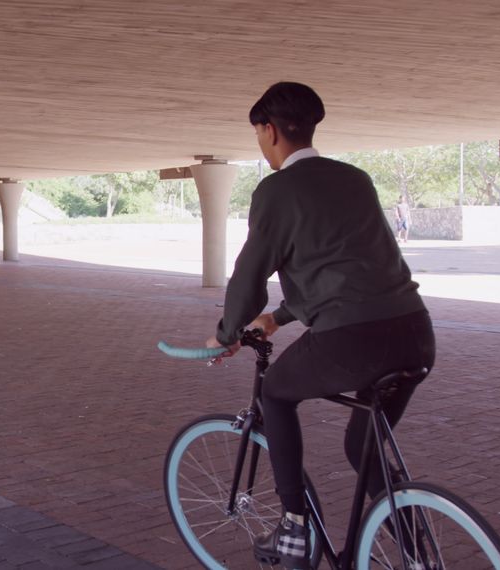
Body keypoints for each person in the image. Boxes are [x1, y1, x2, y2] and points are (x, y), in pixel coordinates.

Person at [203, 82, 435, 569]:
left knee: (277, 394)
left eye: (258, 135)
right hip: (414, 334)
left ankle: (293, 527)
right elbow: (351, 268)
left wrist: (226, 335)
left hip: (353, 342)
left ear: (268, 130)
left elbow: (249, 275)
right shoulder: (355, 178)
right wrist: (278, 319)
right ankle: (417, 551)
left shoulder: (276, 190)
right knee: (362, 447)